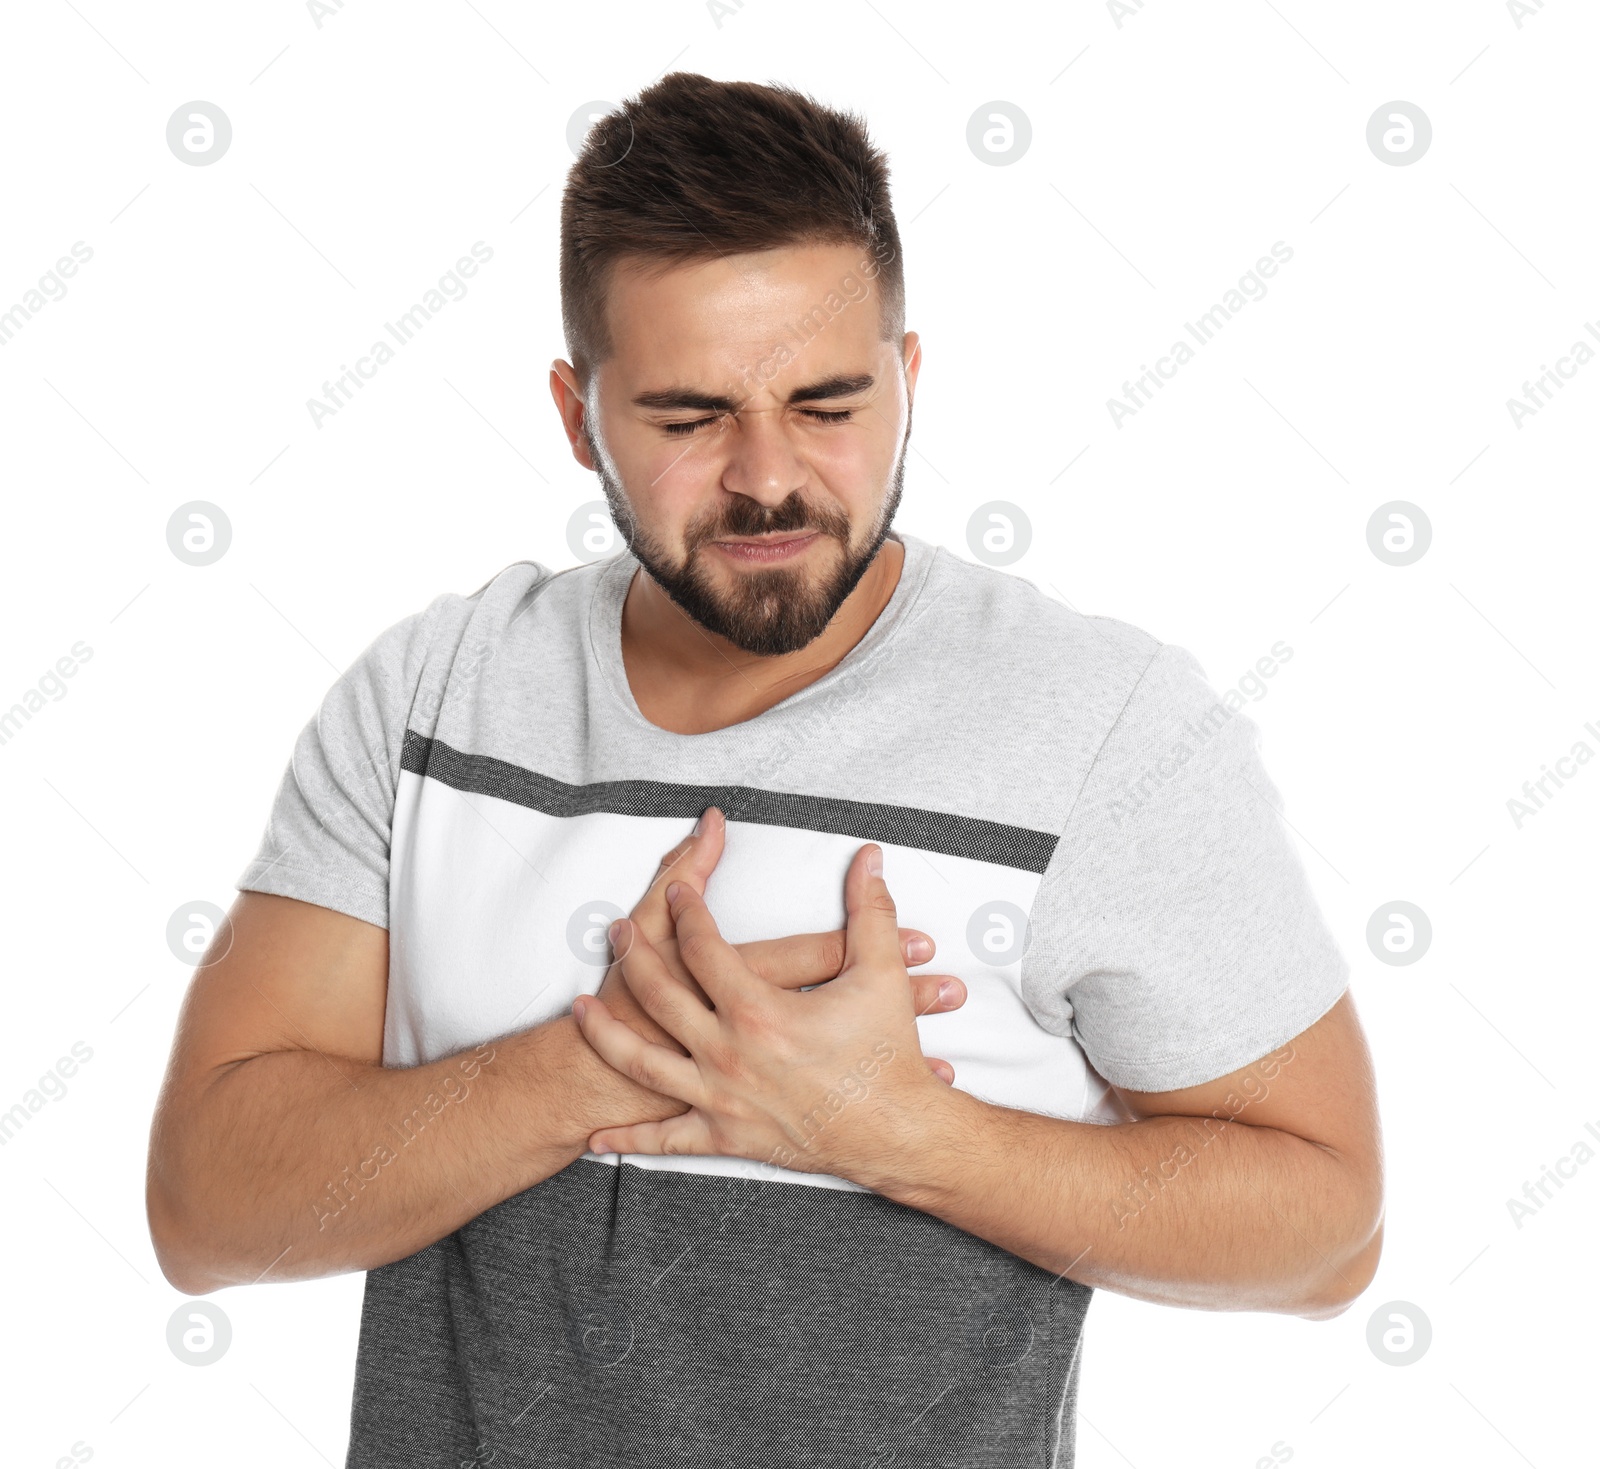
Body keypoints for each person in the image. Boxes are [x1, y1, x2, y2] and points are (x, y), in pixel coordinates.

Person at [146, 71, 1383, 1468]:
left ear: (908, 380)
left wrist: (898, 1133)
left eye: (829, 403)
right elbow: (208, 1206)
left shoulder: (1108, 730)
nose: (768, 477)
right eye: (687, 419)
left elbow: (1327, 1228)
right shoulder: (434, 696)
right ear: (577, 413)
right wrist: (586, 1064)